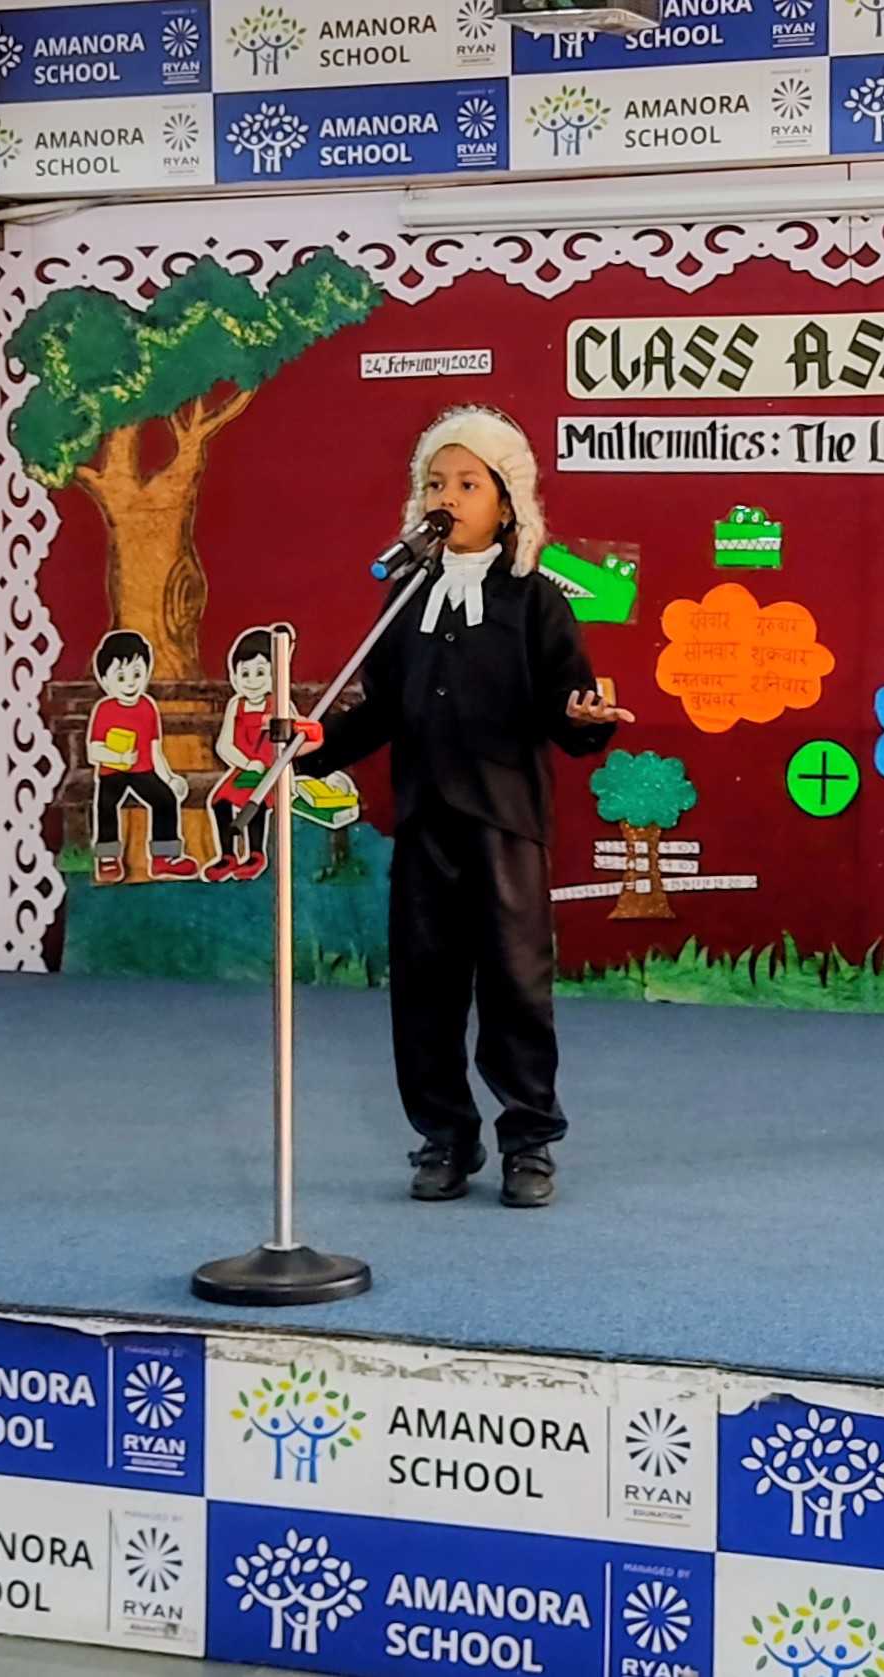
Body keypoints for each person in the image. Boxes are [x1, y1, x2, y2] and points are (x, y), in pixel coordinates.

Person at [296, 407, 631, 1209]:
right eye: (434, 483)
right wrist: (315, 746)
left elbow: (568, 708)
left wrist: (585, 720)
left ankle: (529, 1139)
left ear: (507, 502)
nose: (446, 496)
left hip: (505, 823)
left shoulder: (536, 602)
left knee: (516, 986)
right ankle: (444, 1135)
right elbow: (380, 709)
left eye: (467, 484)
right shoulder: (404, 600)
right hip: (425, 824)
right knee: (424, 988)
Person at [84, 629, 197, 884]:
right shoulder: (104, 709)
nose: (130, 683)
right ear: (105, 680)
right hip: (112, 772)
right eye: (120, 677)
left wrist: (169, 778)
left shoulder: (147, 707)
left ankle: (164, 857)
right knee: (106, 804)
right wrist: (118, 757)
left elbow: (156, 748)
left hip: (143, 771)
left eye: (137, 674)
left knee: (166, 799)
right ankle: (108, 857)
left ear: (147, 672)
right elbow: (93, 751)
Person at [204, 624, 285, 883]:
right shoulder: (235, 705)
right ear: (235, 676)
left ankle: (255, 854)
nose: (252, 681)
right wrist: (246, 763)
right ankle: (227, 854)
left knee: (256, 803)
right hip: (244, 769)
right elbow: (223, 745)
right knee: (220, 802)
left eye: (260, 672)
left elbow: (294, 739)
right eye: (245, 673)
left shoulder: (279, 704)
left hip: (270, 774)